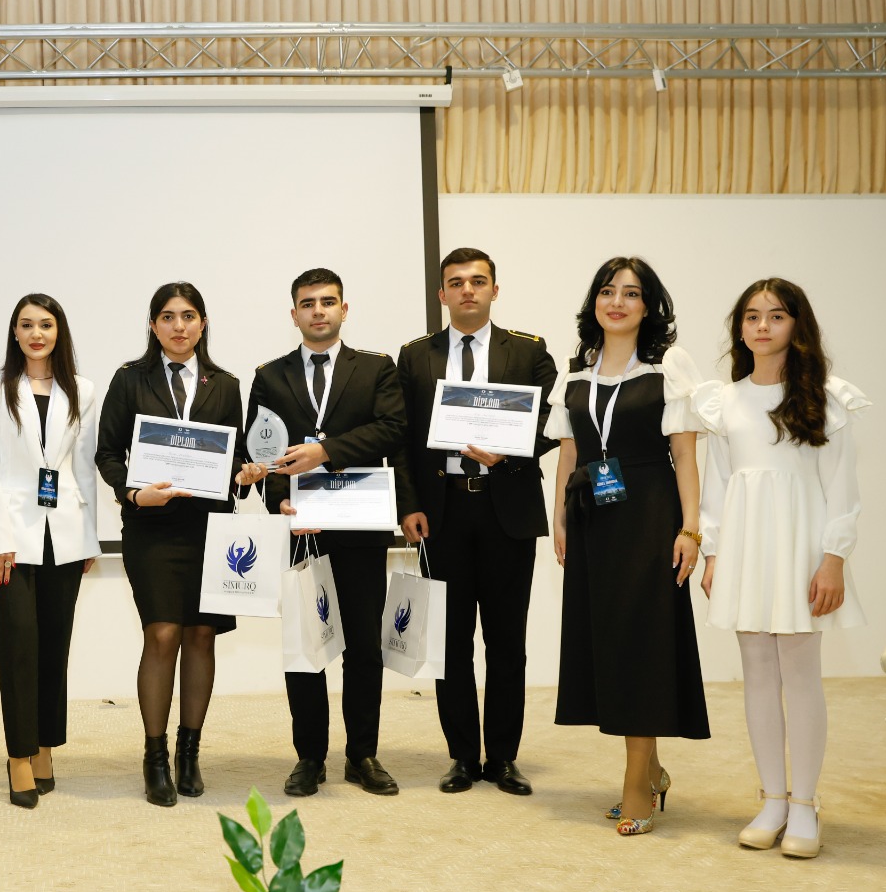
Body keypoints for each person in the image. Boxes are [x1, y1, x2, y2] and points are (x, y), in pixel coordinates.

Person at [695, 278, 867, 859]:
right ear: (740, 329)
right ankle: (772, 799)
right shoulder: (724, 401)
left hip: (802, 548)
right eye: (751, 316)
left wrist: (833, 558)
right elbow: (717, 487)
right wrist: (714, 552)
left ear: (797, 326)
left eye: (775, 315)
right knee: (757, 672)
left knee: (799, 671)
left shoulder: (827, 397)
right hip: (745, 550)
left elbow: (841, 489)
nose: (762, 326)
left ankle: (805, 804)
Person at [549, 255, 710, 837]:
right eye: (607, 291)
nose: (617, 302)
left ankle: (636, 784)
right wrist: (559, 519)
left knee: (644, 643)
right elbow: (569, 453)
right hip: (592, 517)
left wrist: (690, 529)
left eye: (632, 293)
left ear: (649, 307)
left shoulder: (668, 368)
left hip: (649, 516)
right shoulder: (576, 375)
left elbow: (685, 455)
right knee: (611, 643)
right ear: (594, 302)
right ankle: (652, 767)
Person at [393, 248, 558, 796]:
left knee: (507, 642)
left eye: (478, 281)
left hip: (506, 508)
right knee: (451, 642)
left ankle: (504, 757)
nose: (468, 290)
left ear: (494, 290)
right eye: (457, 282)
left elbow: (551, 422)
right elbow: (403, 438)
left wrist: (510, 451)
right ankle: (462, 756)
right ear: (442, 294)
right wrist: (408, 505)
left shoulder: (529, 351)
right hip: (441, 512)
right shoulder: (415, 355)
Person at [95, 282, 263, 807]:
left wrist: (246, 473)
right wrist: (132, 492)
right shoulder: (130, 379)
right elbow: (107, 453)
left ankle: (190, 754)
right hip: (152, 528)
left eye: (188, 316)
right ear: (153, 325)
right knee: (163, 633)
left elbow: (235, 453)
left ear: (202, 323)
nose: (179, 326)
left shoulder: (226, 384)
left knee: (201, 636)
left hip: (209, 528)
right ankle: (155, 757)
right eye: (167, 317)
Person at [245, 268, 406, 797]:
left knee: (364, 647)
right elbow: (262, 449)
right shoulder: (270, 376)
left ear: (344, 309)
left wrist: (326, 451)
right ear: (294, 314)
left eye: (328, 301)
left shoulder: (376, 367)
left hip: (360, 528)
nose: (319, 311)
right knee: (304, 648)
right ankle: (309, 757)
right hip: (302, 529)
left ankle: (362, 754)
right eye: (308, 303)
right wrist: (278, 499)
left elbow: (391, 429)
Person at [0, 294, 100, 808]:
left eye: (45, 324)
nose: (36, 334)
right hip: (10, 536)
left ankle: (45, 745)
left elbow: (83, 467)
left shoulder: (82, 389)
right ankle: (19, 754)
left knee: (54, 646)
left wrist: (89, 535)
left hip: (65, 534)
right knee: (17, 645)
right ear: (15, 333)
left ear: (59, 331)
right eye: (26, 325)